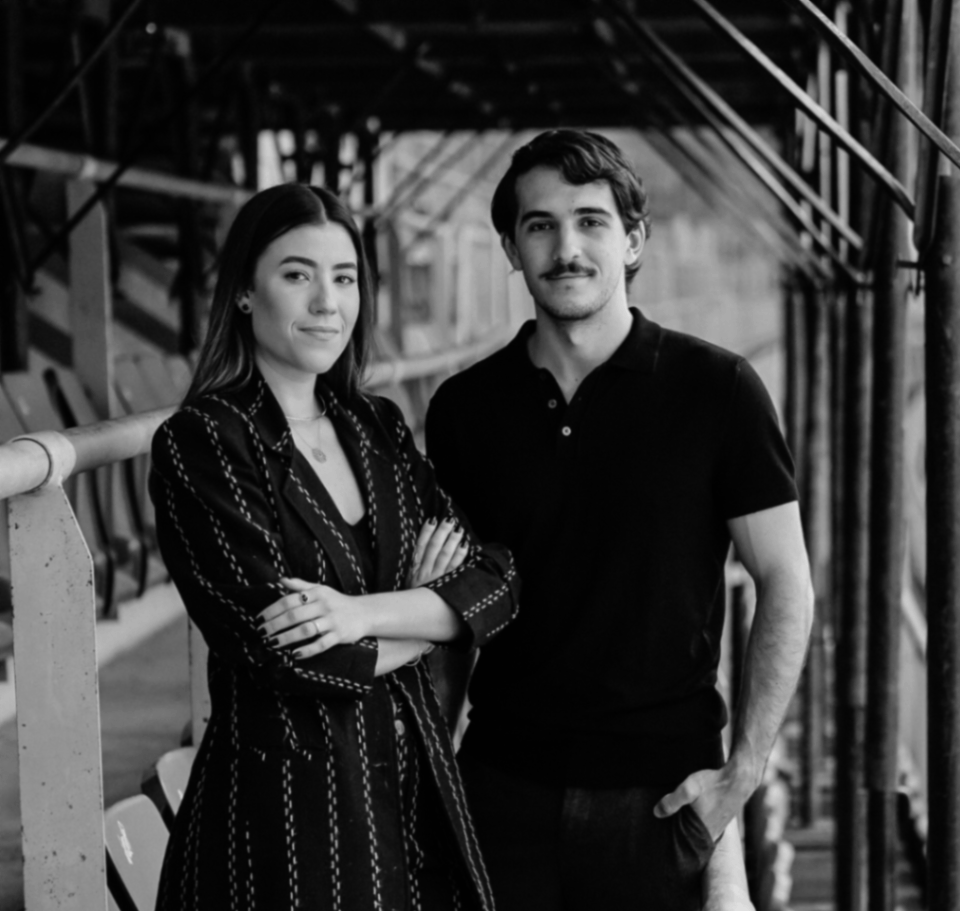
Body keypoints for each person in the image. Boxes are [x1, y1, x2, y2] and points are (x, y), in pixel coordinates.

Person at [425, 130, 815, 911]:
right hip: (501, 791)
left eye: (591, 222)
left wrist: (742, 773)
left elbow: (786, 582)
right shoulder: (464, 410)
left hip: (661, 798)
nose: (566, 247)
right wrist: (429, 771)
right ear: (511, 248)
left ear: (633, 239)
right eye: (540, 225)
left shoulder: (719, 391)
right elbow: (453, 612)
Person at [149, 182, 520, 911]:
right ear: (245, 292)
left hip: (413, 797)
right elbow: (288, 652)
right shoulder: (206, 441)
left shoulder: (374, 425)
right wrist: (426, 618)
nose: (327, 302)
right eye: (298, 275)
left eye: (345, 278)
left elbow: (496, 579)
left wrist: (359, 614)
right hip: (286, 822)